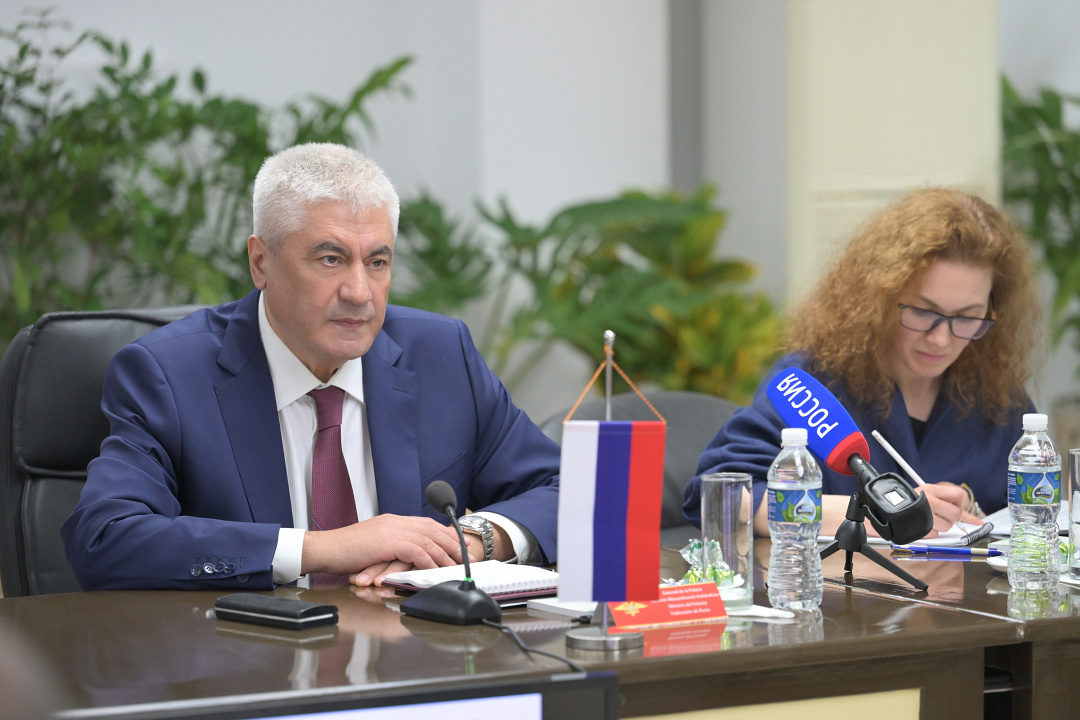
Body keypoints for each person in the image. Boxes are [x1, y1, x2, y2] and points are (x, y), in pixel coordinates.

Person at [62, 143, 560, 590]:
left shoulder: (440, 355)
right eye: (330, 259)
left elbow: (568, 491)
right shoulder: (168, 375)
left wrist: (468, 542)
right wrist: (325, 548)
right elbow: (105, 538)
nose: (360, 293)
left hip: (411, 649)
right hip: (248, 653)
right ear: (261, 262)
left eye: (377, 262)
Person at [683, 187, 1042, 538]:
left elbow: (1028, 515)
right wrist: (872, 512)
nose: (941, 339)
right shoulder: (813, 385)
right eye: (922, 312)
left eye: (967, 317)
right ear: (879, 300)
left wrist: (968, 507)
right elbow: (721, 498)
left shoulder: (998, 401)